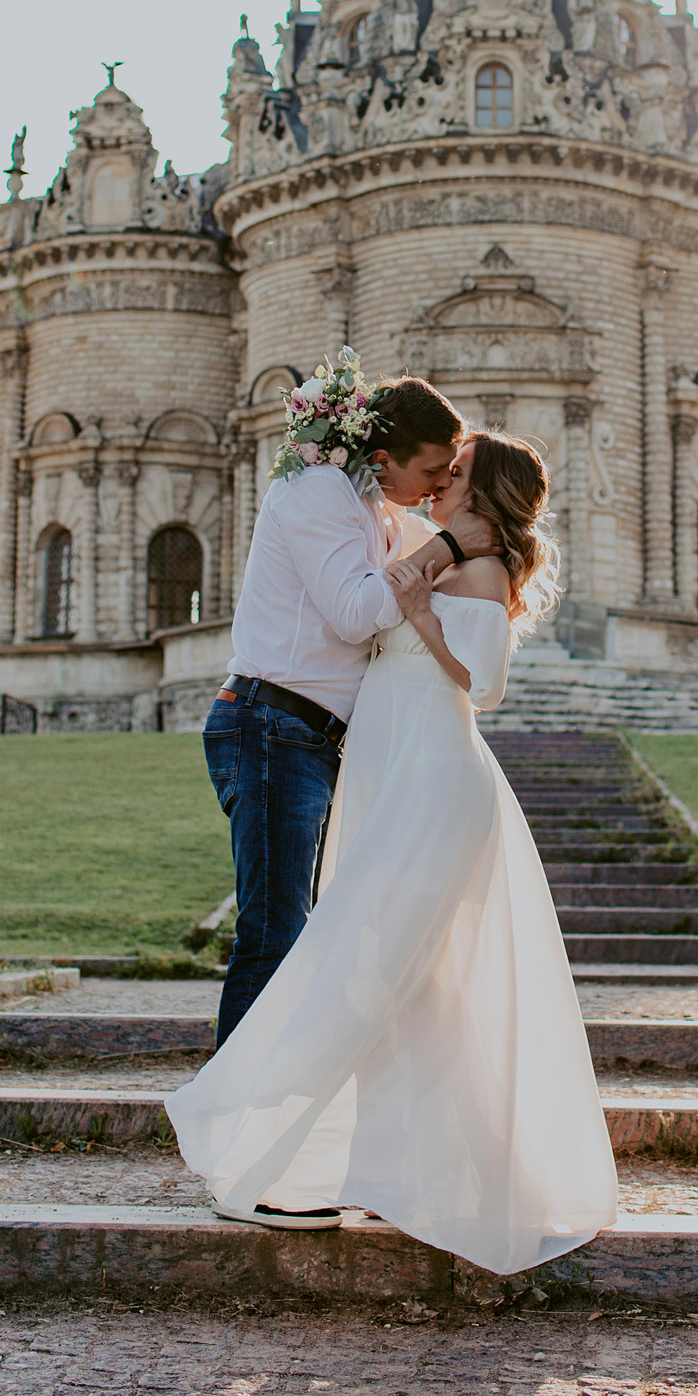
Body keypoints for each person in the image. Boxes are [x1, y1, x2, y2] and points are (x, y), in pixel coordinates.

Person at [167, 431, 619, 1273]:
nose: (439, 480)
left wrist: (420, 616)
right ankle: (395, 1168)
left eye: (457, 473)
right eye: (439, 467)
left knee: (368, 967)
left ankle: (279, 1155)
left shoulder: (482, 574)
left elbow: (484, 684)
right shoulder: (441, 554)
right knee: (403, 982)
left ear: (484, 490)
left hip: (430, 778)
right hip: (388, 767)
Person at [205, 371, 473, 1077]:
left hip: (306, 737)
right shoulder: (318, 489)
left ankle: (262, 1105)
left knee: (303, 930)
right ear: (382, 458)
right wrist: (443, 548)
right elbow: (355, 612)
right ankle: (234, 1116)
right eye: (431, 471)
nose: (438, 486)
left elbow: (448, 551)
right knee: (275, 931)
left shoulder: (374, 505)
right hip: (271, 723)